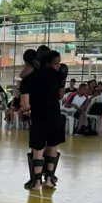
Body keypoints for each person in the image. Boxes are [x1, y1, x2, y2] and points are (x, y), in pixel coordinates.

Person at [21, 48, 66, 190]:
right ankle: (49, 180)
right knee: (52, 149)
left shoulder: (29, 78)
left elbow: (25, 106)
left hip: (39, 117)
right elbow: (60, 96)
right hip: (55, 116)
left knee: (38, 151)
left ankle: (36, 183)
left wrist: (28, 108)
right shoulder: (56, 75)